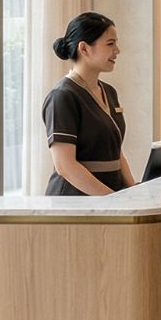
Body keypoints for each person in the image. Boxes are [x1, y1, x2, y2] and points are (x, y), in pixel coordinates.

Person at [42, 12, 134, 195]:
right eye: (110, 44)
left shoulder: (109, 92)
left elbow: (117, 154)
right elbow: (64, 165)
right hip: (75, 202)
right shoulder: (62, 96)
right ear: (84, 48)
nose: (117, 50)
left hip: (111, 198)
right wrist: (111, 200)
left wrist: (134, 192)